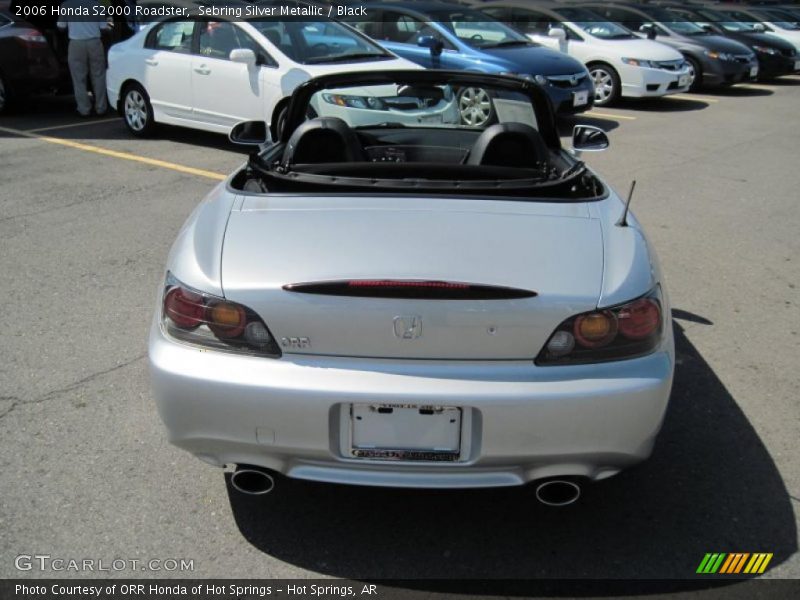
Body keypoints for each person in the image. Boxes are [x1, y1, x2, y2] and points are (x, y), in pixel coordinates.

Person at [57, 0, 111, 116]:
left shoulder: (66, 5)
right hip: (95, 42)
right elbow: (103, 28)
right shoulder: (97, 5)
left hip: (76, 43)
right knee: (98, 75)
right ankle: (101, 107)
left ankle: (84, 109)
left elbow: (61, 27)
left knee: (78, 78)